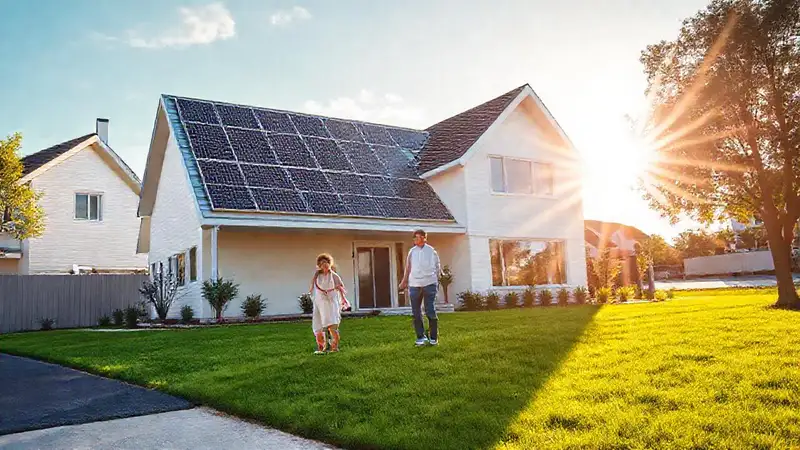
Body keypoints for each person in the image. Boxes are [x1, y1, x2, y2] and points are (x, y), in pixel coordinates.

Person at [399, 229, 441, 346]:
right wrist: (404, 282)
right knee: (416, 312)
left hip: (429, 284)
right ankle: (421, 337)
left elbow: (438, 268)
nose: (415, 240)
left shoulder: (431, 251)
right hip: (414, 285)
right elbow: (408, 268)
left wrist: (435, 282)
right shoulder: (412, 252)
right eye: (414, 238)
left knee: (430, 310)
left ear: (424, 238)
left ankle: (433, 337)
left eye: (417, 237)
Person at [309, 253, 350, 354]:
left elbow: (340, 288)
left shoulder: (334, 276)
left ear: (330, 263)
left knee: (332, 325)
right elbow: (312, 289)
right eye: (322, 263)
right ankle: (322, 347)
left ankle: (334, 347)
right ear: (319, 265)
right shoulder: (317, 276)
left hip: (330, 303)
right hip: (319, 303)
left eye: (327, 262)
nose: (325, 264)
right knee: (319, 326)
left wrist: (344, 300)